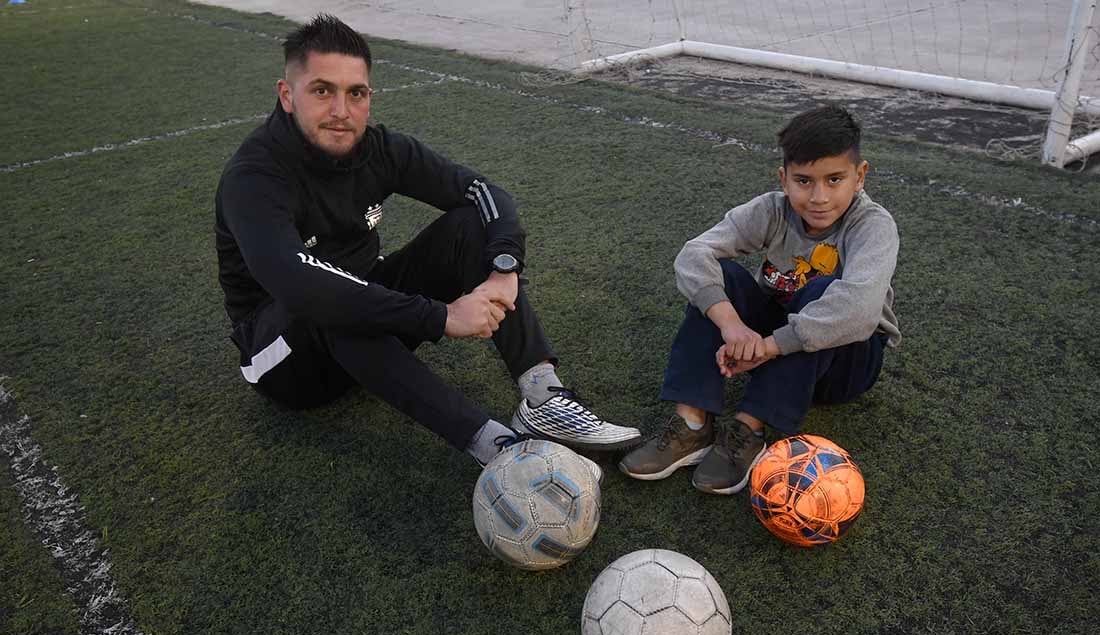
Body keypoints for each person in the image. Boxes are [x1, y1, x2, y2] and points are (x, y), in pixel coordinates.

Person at [214, 14, 640, 471]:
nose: (341, 110)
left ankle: (542, 395)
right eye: (322, 90)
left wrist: (504, 267)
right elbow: (298, 282)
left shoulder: (379, 150)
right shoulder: (255, 177)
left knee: (468, 226)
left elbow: (482, 192)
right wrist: (442, 317)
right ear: (287, 95)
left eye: (355, 93)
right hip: (284, 359)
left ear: (369, 98)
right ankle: (494, 446)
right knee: (331, 301)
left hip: (366, 319)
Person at [619, 105, 900, 493]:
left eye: (835, 179)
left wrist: (768, 347)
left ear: (860, 176)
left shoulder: (872, 225)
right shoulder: (772, 209)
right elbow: (694, 254)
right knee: (724, 276)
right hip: (778, 341)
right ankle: (692, 425)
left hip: (846, 364)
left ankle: (748, 430)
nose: (819, 197)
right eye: (804, 181)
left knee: (823, 292)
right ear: (784, 179)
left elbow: (859, 311)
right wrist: (732, 327)